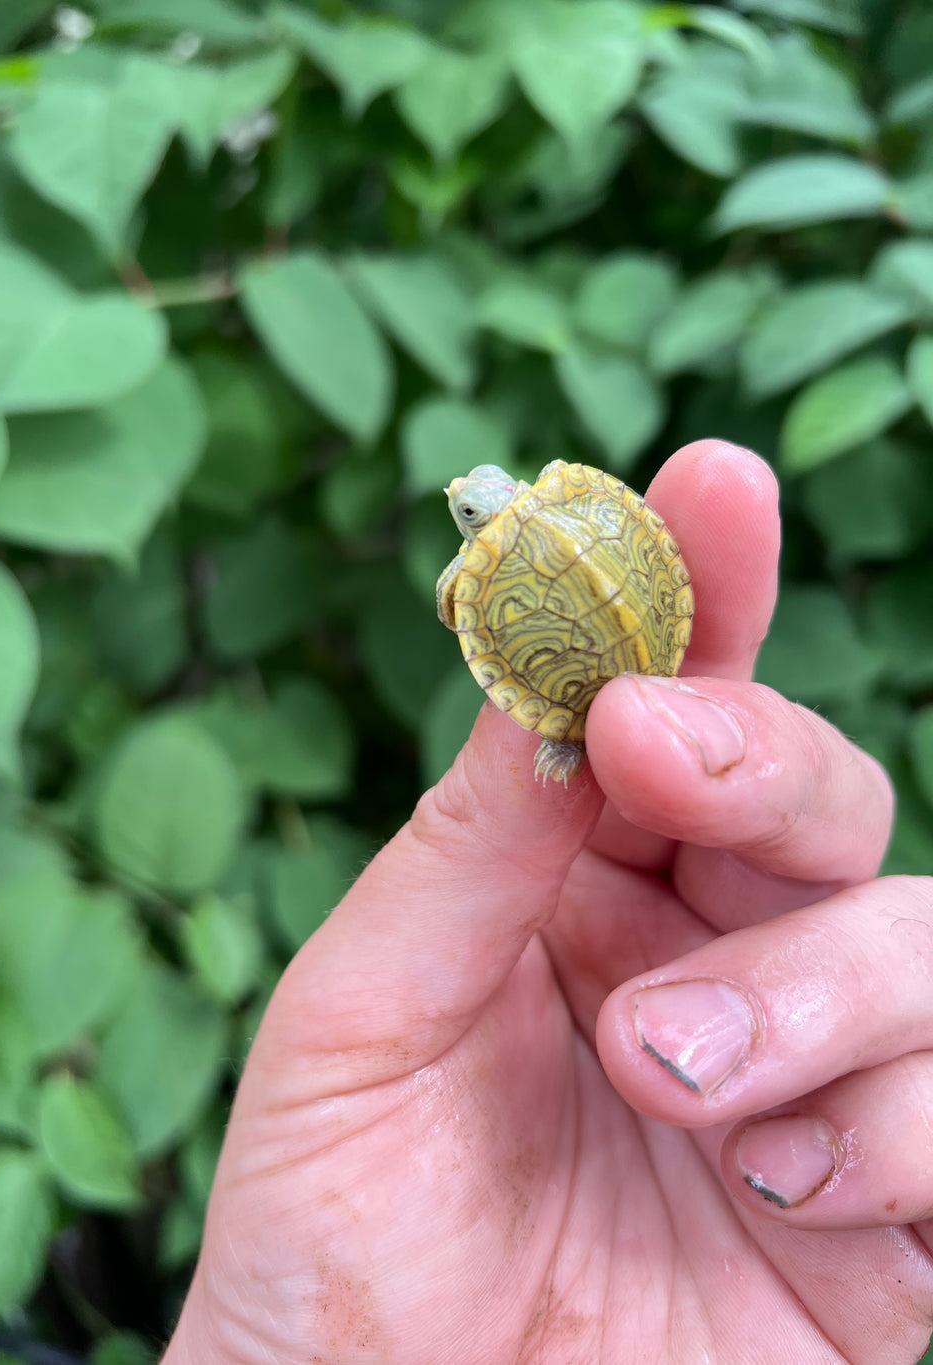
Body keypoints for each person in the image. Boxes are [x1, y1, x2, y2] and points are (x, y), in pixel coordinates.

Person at [162, 441, 933, 1365]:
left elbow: (463, 602)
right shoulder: (574, 490)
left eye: (473, 513)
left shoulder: (486, 572)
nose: (470, 508)